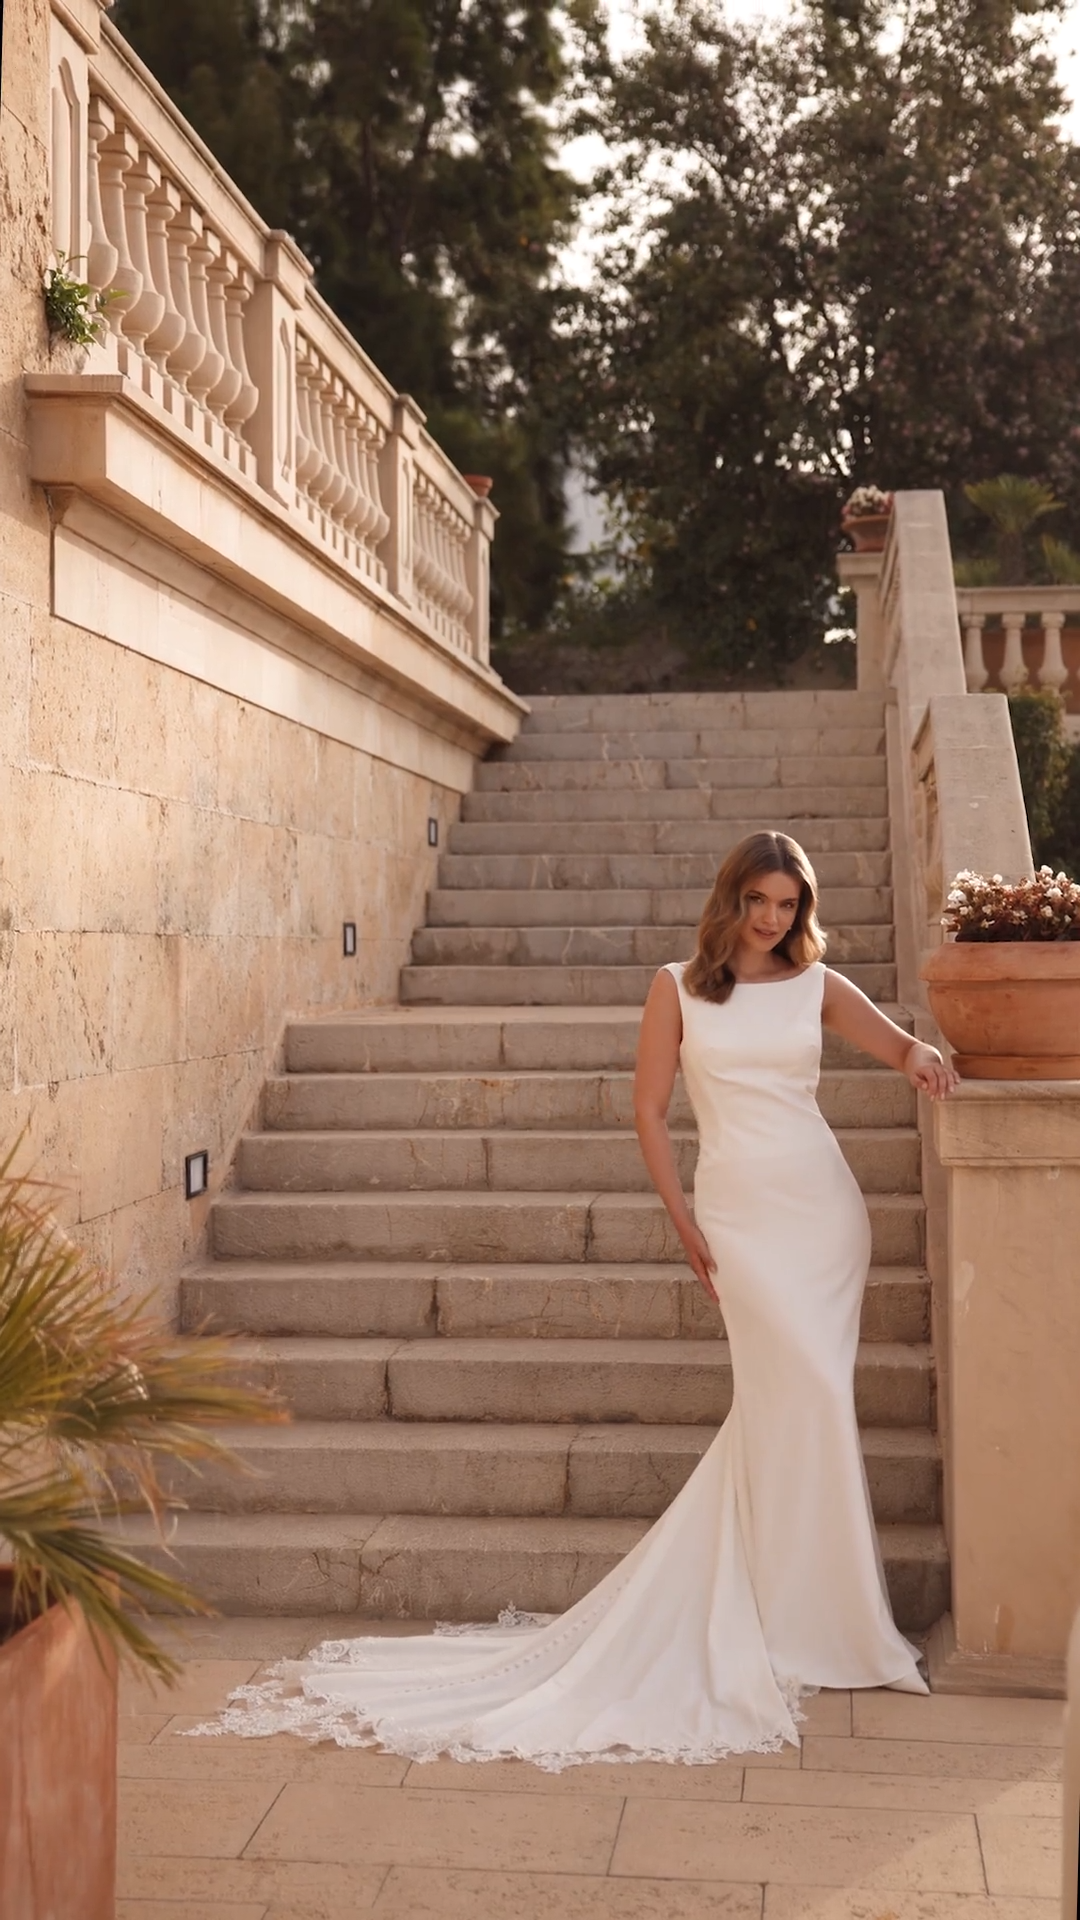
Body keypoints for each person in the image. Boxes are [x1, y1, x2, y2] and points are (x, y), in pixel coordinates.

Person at [200, 830, 956, 1767]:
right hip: (739, 1217)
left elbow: (900, 1046)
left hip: (823, 1214)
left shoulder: (814, 985)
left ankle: (821, 1621)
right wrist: (683, 1219)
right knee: (791, 1393)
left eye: (789, 904)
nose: (773, 918)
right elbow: (646, 1109)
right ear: (731, 900)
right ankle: (796, 1615)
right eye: (759, 900)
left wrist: (929, 1059)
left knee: (811, 1403)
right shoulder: (676, 986)